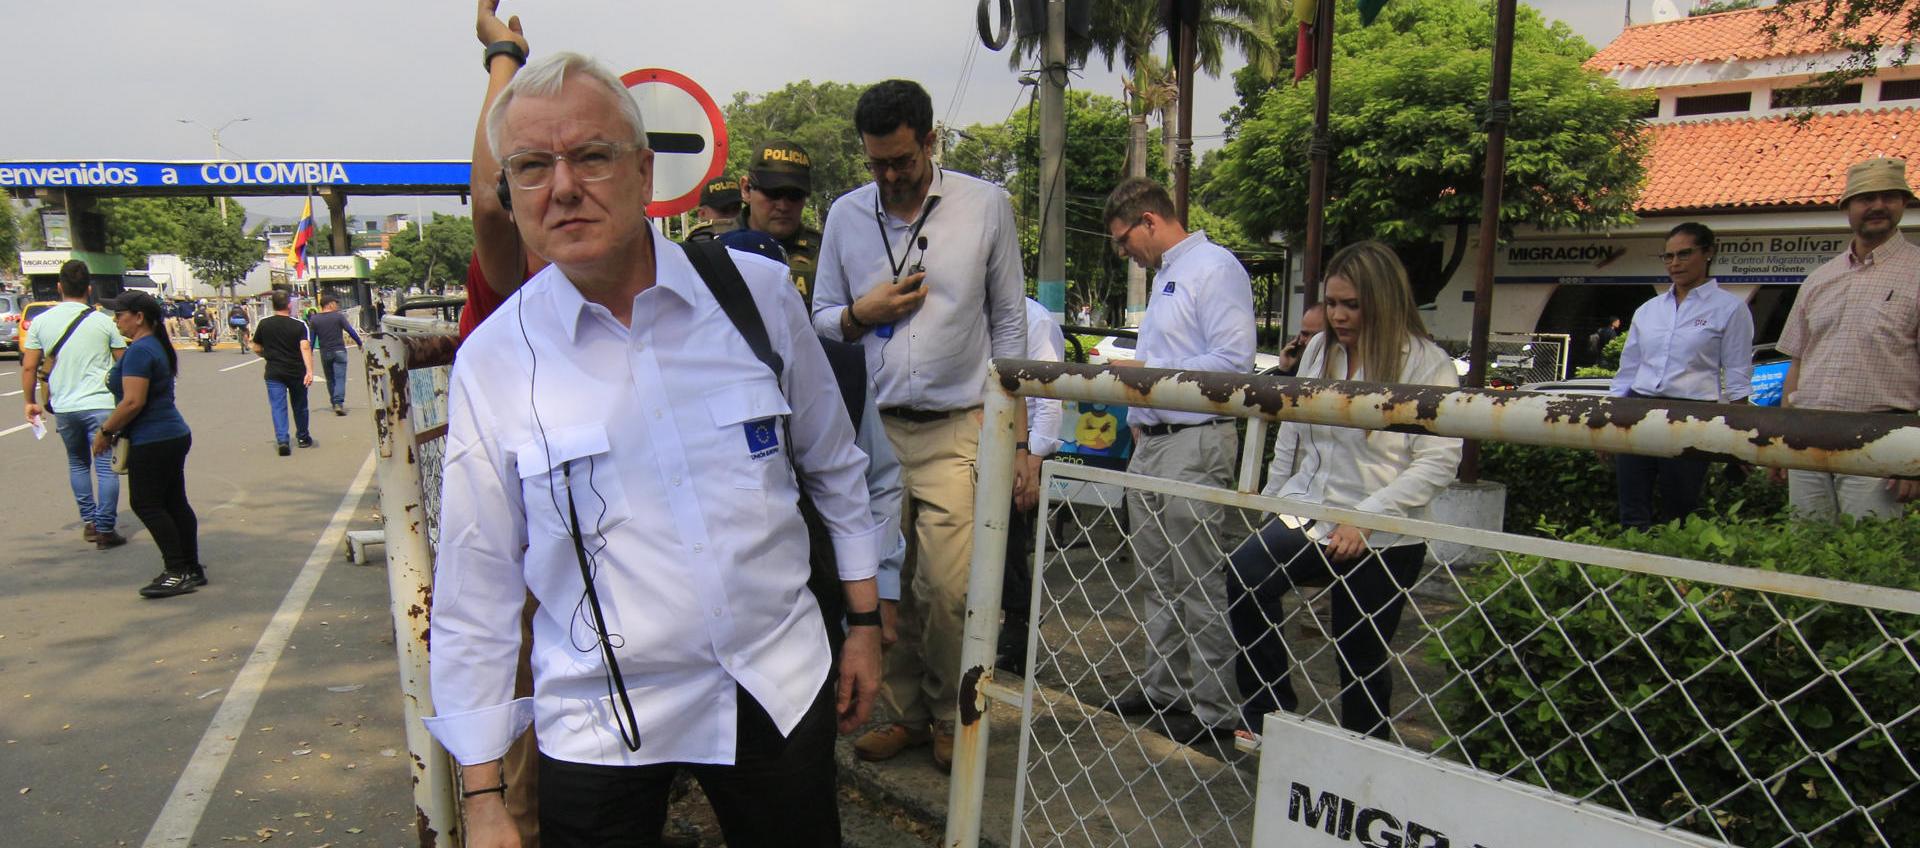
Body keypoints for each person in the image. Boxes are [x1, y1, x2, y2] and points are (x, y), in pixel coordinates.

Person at [422, 52, 884, 848]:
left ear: (642, 172)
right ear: (511, 192)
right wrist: (485, 793)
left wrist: (867, 620)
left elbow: (836, 467)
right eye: (531, 167)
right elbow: (477, 587)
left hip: (775, 681)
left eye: (590, 156)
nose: (562, 187)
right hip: (599, 716)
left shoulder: (756, 297)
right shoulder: (495, 363)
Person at [813, 78, 1029, 771]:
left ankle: (948, 711)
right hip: (869, 431)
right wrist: (860, 315)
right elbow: (817, 317)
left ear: (930, 142)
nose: (890, 176)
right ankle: (906, 715)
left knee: (950, 587)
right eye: (876, 163)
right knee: (881, 583)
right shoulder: (847, 215)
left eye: (902, 160)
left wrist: (1018, 433)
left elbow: (1009, 321)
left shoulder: (985, 205)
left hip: (955, 422)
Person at [1224, 241, 1461, 740]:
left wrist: (1367, 518)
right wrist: (1275, 497)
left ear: (1383, 299)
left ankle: (1364, 759)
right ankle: (1270, 717)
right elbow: (1291, 424)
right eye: (1332, 304)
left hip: (1386, 531)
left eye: (1351, 304)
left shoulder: (1427, 363)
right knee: (1246, 572)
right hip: (1311, 510)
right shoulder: (1319, 348)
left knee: (1359, 653)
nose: (1338, 315)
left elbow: (1439, 461)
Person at [1100, 177, 1255, 743]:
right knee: (1157, 574)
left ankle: (1214, 709)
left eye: (1124, 240)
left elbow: (1232, 361)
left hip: (1195, 436)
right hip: (1157, 438)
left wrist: (1150, 382)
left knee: (1196, 577)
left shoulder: (1215, 267)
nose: (1124, 252)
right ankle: (1164, 687)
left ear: (1149, 221)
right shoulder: (1168, 274)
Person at [1774, 157, 1920, 520]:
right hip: (1807, 436)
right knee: (1806, 551)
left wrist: (1915, 456)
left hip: (1882, 438)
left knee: (1869, 558)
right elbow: (1798, 361)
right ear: (1846, 208)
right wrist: (1781, 440)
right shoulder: (1820, 278)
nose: (1877, 206)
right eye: (1865, 198)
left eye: (1889, 196)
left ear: (1904, 203)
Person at [1608, 223, 1753, 529]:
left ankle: (1674, 575)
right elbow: (1628, 370)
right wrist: (1610, 417)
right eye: (1668, 256)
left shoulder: (1730, 309)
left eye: (1684, 254)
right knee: (1632, 511)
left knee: (1680, 511)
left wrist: (1741, 432)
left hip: (1692, 414)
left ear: (1709, 252)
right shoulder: (1649, 310)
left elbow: (1738, 373)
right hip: (1637, 410)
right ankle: (1632, 572)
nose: (1675, 263)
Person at [93, 291, 201, 598]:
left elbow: (132, 401)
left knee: (147, 503)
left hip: (153, 437)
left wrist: (105, 431)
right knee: (173, 502)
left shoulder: (141, 351)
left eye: (120, 314)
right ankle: (190, 568)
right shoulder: (153, 346)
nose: (116, 320)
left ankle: (177, 570)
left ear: (139, 317)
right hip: (169, 434)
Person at [20, 260, 127, 549]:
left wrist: (30, 402)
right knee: (105, 467)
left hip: (64, 407)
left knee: (78, 463)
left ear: (59, 287)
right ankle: (106, 529)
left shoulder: (41, 321)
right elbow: (123, 362)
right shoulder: (104, 321)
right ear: (89, 289)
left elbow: (30, 367)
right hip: (102, 405)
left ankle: (91, 523)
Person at [997, 297, 1065, 675]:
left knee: (1012, 545)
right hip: (984, 440)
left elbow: (1050, 398)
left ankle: (1020, 633)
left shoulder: (1034, 320)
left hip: (1022, 448)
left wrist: (1034, 460)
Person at [738, 140, 824, 302]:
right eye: (773, 193)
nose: (783, 206)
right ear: (746, 189)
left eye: (795, 195)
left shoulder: (825, 254)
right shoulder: (714, 246)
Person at [251, 290, 315, 456]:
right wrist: (309, 370)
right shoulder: (299, 325)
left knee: (278, 407)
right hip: (296, 371)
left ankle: (282, 440)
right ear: (289, 305)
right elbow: (305, 347)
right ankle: (302, 437)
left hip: (274, 371)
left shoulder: (264, 324)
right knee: (300, 405)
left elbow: (256, 347)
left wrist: (267, 355)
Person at [307, 294, 364, 416]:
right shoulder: (338, 317)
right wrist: (359, 343)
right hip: (339, 351)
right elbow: (350, 330)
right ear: (329, 304)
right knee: (340, 378)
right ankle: (338, 402)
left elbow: (312, 339)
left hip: (325, 352)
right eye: (335, 303)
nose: (337, 305)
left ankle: (334, 402)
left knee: (330, 379)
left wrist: (310, 352)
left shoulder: (314, 319)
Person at [683, 177, 742, 243]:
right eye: (724, 210)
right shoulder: (694, 244)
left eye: (735, 209)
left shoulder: (752, 237)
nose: (731, 218)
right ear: (702, 213)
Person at [1275, 304, 1326, 376]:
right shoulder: (1296, 365)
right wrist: (1284, 369)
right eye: (1305, 334)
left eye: (1316, 336)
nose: (1309, 342)